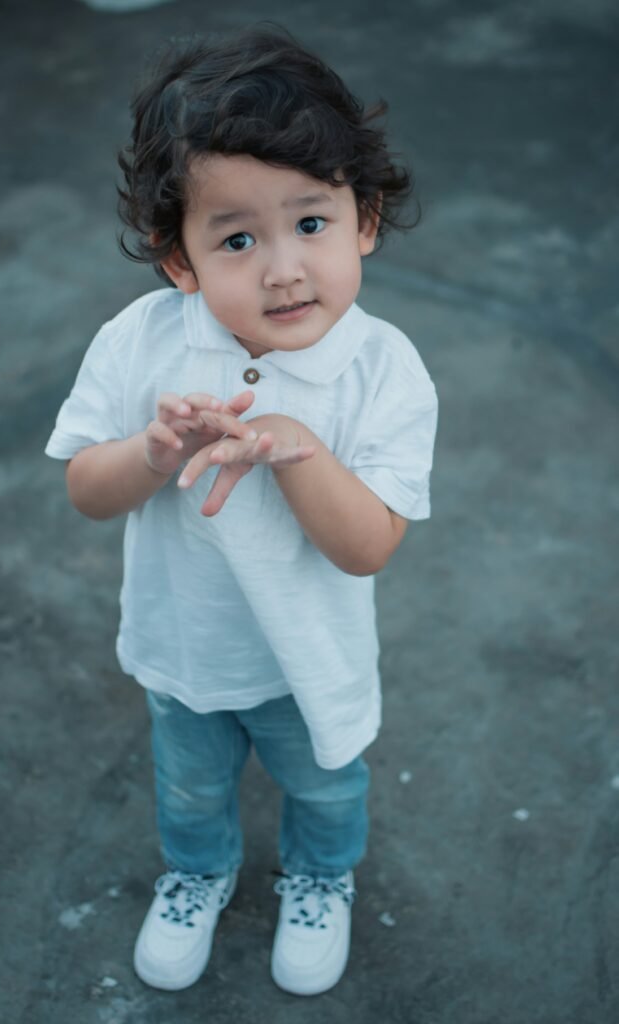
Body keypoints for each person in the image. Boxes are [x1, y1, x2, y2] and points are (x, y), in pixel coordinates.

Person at [45, 23, 438, 997]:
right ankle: (198, 872)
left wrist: (297, 451)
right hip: (186, 647)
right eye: (235, 239)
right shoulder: (142, 342)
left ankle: (319, 878)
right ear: (177, 262)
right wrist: (152, 451)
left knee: (324, 788)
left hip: (307, 658)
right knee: (189, 787)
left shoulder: (382, 371)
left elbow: (367, 547)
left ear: (364, 219)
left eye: (310, 223)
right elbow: (86, 490)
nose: (282, 269)